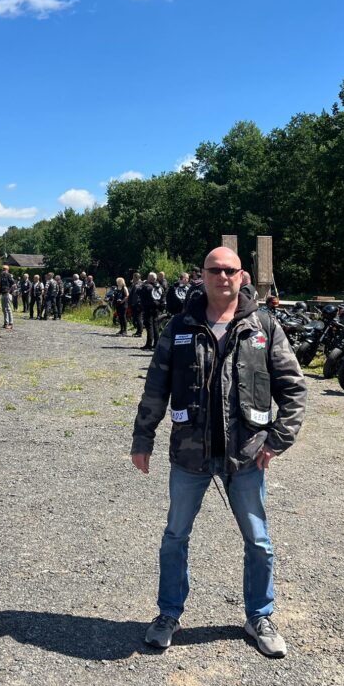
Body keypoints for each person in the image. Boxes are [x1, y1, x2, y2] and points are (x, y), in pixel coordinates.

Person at [131, 246, 307, 658]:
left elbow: (294, 389)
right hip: (189, 454)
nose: (222, 277)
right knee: (175, 536)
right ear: (203, 275)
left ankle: (259, 616)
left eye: (230, 270)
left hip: (245, 455)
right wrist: (143, 439)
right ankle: (168, 614)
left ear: (241, 275)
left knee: (258, 541)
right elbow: (156, 387)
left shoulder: (263, 326)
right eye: (215, 270)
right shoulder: (180, 326)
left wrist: (277, 440)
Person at [140, 272, 163, 350]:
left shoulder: (147, 286)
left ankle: (149, 344)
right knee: (155, 326)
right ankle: (156, 343)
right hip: (157, 308)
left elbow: (139, 292)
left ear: (150, 278)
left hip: (148, 308)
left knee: (149, 326)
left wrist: (143, 284)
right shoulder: (159, 286)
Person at [0, 265, 15, 329]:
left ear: (7, 270)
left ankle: (11, 323)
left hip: (7, 293)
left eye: (5, 269)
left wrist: (9, 291)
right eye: (3, 269)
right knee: (4, 309)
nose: (3, 270)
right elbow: (1, 286)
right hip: (3, 293)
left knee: (8, 308)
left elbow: (13, 284)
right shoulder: (1, 276)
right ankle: (6, 323)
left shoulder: (9, 275)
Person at [128, 272, 143, 336]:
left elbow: (137, 296)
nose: (132, 279)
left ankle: (139, 332)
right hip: (135, 304)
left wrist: (135, 303)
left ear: (136, 278)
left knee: (138, 318)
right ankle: (138, 331)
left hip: (137, 304)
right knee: (136, 318)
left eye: (133, 277)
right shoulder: (136, 284)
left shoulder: (139, 284)